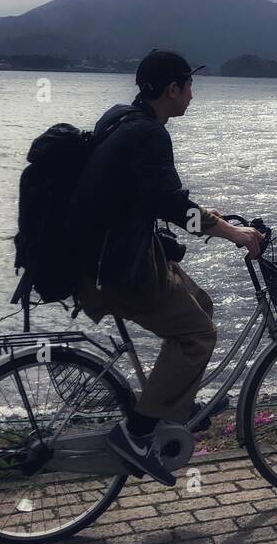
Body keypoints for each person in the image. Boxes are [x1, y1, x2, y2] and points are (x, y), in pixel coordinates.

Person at [70, 48, 263, 485]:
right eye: (189, 86)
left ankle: (174, 410)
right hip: (117, 270)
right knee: (198, 336)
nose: (193, 94)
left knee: (200, 302)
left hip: (105, 257)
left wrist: (216, 219)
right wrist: (231, 232)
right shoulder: (151, 135)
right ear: (172, 89)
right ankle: (136, 435)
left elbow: (149, 197)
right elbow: (172, 205)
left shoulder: (121, 119)